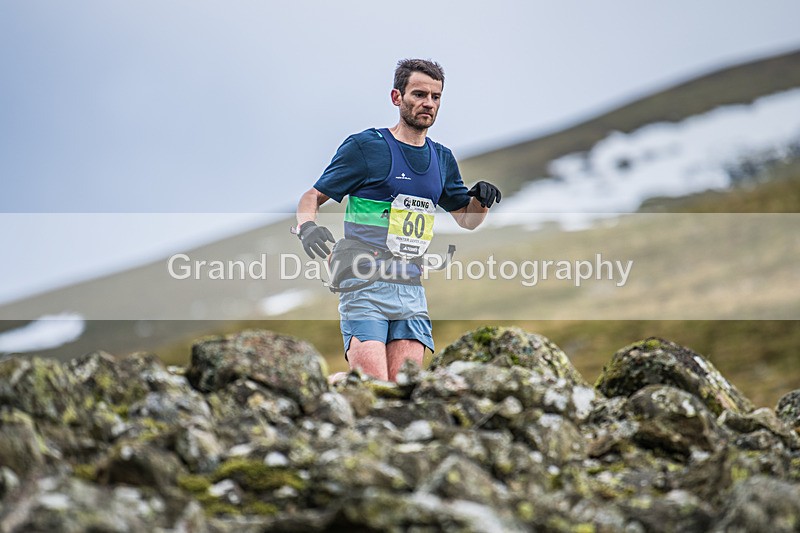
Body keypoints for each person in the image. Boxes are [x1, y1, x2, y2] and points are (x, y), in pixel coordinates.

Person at [295, 58, 501, 382]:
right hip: (363, 282)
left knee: (404, 391)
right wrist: (306, 227)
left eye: (435, 97)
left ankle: (338, 386)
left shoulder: (442, 159)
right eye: (419, 94)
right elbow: (311, 197)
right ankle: (332, 387)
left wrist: (482, 201)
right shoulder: (366, 147)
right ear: (397, 97)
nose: (428, 104)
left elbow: (468, 220)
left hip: (410, 287)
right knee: (375, 389)